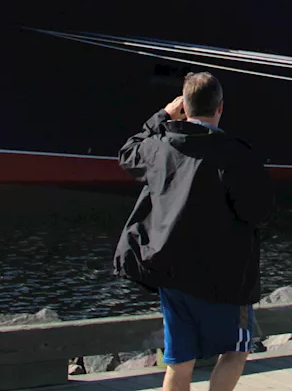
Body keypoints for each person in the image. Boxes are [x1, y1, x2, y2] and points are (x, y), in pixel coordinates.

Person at [113, 72, 275, 391]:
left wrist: (162, 116)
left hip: (174, 275)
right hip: (227, 279)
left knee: (179, 360)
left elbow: (128, 153)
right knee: (235, 351)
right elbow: (259, 212)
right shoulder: (236, 154)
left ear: (184, 108)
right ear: (220, 108)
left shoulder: (161, 147)